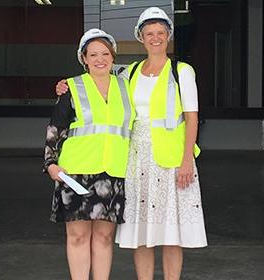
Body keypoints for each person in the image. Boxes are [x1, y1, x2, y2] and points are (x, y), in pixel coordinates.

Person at [55, 7, 207, 280]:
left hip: (172, 159)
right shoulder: (131, 72)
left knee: (172, 232)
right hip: (137, 159)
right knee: (143, 232)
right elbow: (99, 75)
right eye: (149, 33)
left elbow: (192, 118)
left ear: (169, 36)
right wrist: (66, 85)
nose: (155, 38)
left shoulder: (181, 72)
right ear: (141, 37)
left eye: (161, 33)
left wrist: (187, 160)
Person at [44, 28, 135, 280]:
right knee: (78, 236)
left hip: (113, 171)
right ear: (83, 58)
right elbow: (55, 127)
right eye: (92, 54)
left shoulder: (128, 87)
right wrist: (51, 163)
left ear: (113, 57)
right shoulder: (71, 87)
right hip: (76, 173)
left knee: (105, 237)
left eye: (105, 53)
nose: (99, 59)